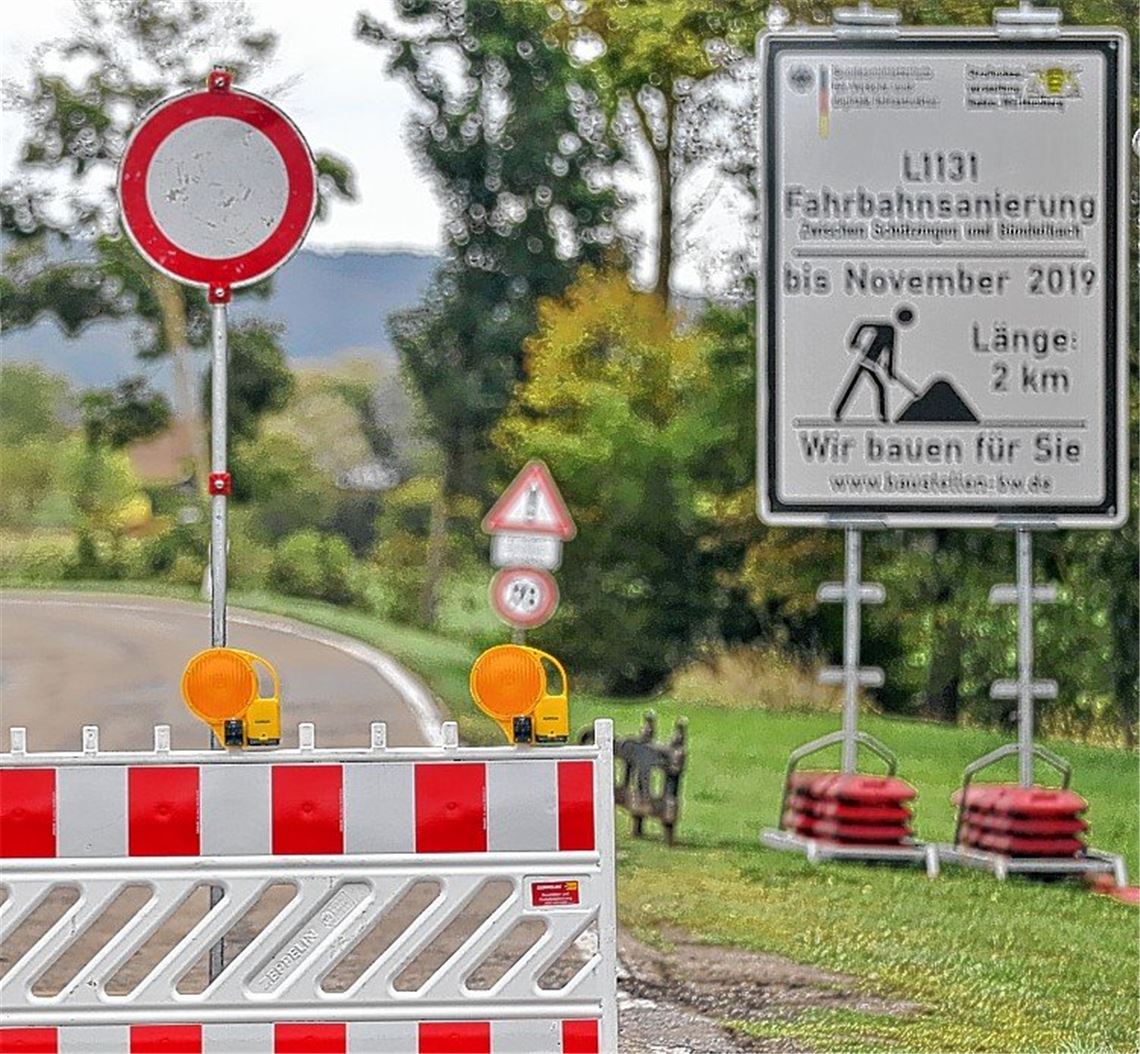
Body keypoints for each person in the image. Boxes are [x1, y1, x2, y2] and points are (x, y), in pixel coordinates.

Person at [832, 306, 915, 423]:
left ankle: (881, 417)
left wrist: (890, 370)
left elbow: (890, 352)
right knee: (866, 388)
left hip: (871, 365)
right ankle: (839, 413)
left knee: (874, 388)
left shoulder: (892, 332)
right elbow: (862, 323)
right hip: (865, 362)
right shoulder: (886, 327)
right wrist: (854, 341)